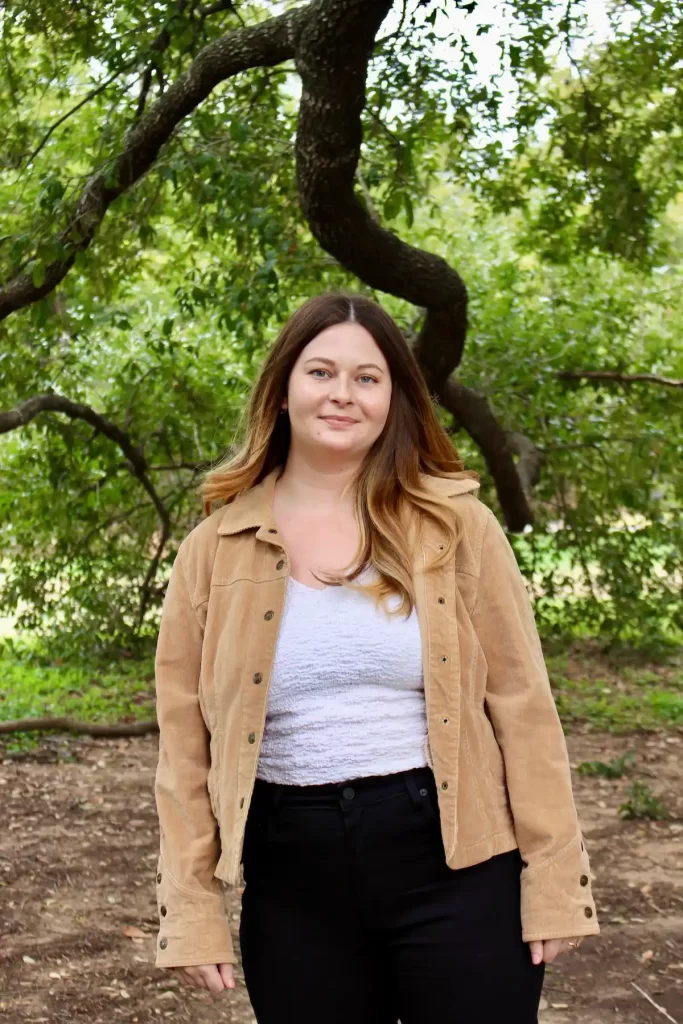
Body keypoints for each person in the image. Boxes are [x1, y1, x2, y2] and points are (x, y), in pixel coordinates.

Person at [152, 292, 600, 1023]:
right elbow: (184, 746)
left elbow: (522, 708)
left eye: (367, 378)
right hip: (290, 877)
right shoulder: (213, 549)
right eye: (321, 371)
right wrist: (192, 903)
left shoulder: (457, 526)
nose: (342, 394)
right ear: (284, 387)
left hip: (456, 863)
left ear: (394, 398)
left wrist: (554, 878)